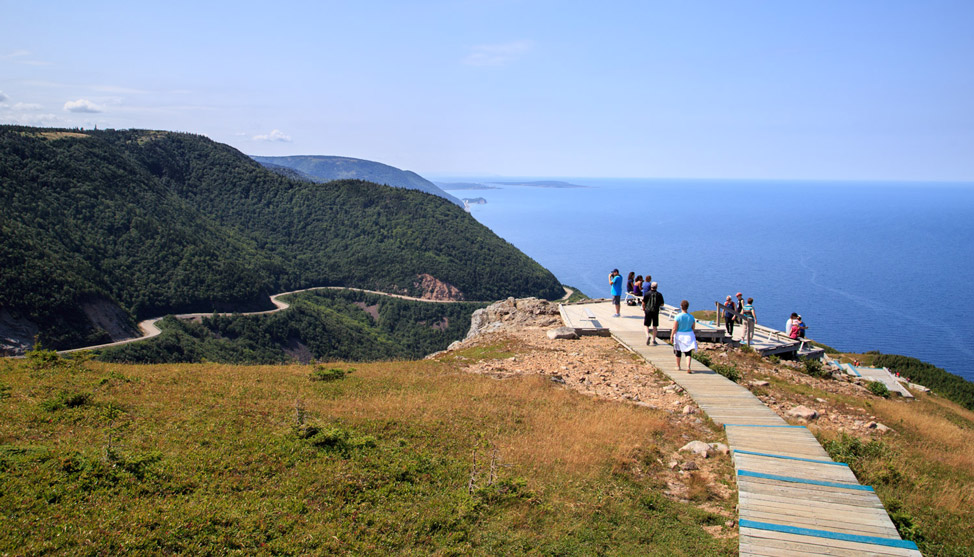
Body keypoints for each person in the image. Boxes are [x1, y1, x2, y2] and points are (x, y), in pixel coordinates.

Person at [671, 299, 698, 372]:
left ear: (681, 306)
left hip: (680, 335)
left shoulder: (678, 316)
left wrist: (671, 336)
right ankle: (688, 367)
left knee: (678, 351)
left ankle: (678, 366)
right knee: (688, 353)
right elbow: (693, 328)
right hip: (689, 335)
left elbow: (674, 328)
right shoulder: (691, 317)